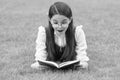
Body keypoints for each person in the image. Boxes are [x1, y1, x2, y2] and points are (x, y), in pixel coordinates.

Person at [31, 1, 89, 70]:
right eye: (55, 22)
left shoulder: (77, 32)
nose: (60, 26)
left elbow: (81, 50)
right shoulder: (43, 32)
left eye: (64, 22)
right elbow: (40, 51)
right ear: (50, 19)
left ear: (70, 20)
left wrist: (83, 62)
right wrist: (39, 63)